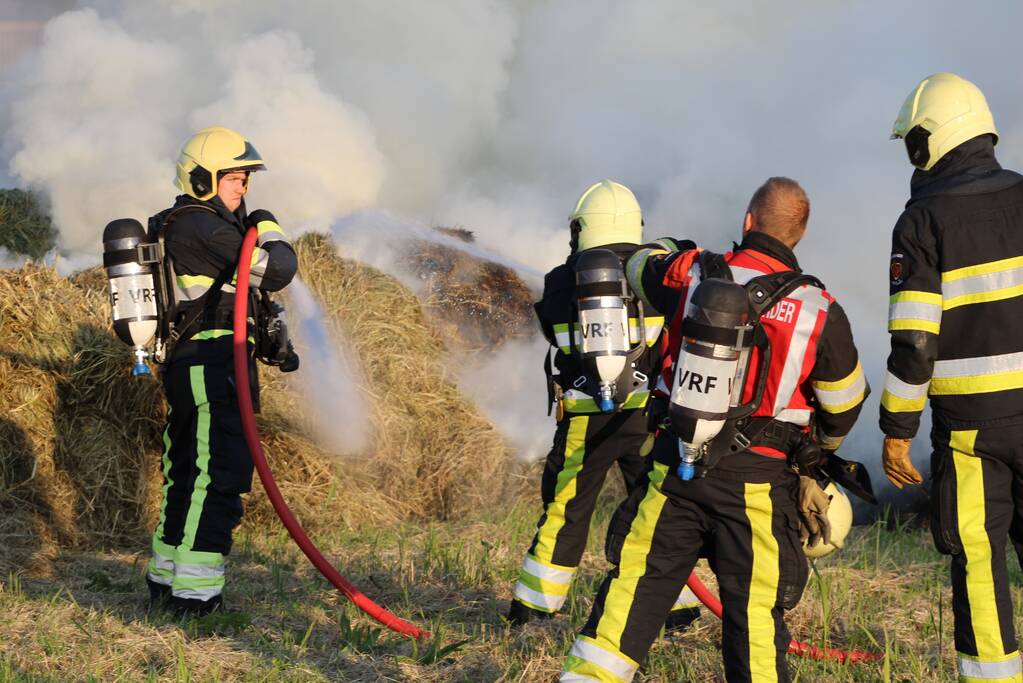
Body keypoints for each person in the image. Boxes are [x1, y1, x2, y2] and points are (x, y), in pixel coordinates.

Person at [560, 177, 868, 683]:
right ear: (800, 235)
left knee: (632, 592)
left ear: (748, 222)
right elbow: (845, 403)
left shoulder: (694, 271)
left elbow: (635, 268)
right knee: (755, 621)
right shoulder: (820, 309)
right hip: (758, 487)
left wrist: (666, 249)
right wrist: (814, 457)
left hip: (675, 470)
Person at [508, 179, 702, 629]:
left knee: (568, 508)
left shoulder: (563, 280)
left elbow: (551, 332)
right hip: (647, 415)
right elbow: (688, 259)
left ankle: (535, 608)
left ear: (581, 228)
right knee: (652, 507)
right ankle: (676, 608)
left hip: (585, 417)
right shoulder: (653, 267)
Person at [881, 72, 1023, 683]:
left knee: (979, 558)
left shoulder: (921, 222)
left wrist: (895, 429)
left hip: (971, 433)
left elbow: (915, 339)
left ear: (928, 142)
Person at [145, 126, 298, 616]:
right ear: (202, 180)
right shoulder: (203, 227)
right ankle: (195, 595)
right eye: (233, 178)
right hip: (212, 364)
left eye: (247, 180)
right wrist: (268, 224)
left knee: (189, 471)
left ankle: (166, 577)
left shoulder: (187, 223)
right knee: (218, 474)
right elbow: (278, 268)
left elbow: (245, 296)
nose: (243, 189)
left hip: (202, 363)